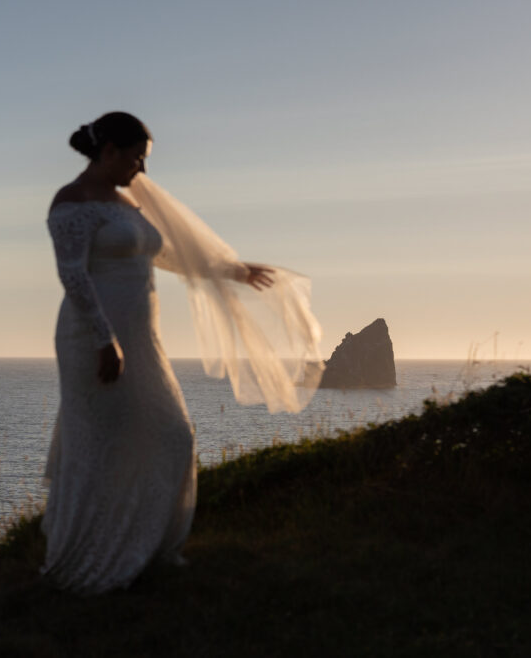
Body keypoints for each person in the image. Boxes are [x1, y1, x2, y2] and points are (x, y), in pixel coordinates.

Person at [43, 112, 322, 594]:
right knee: (99, 443)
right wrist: (102, 339)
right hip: (93, 336)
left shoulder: (128, 203)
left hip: (140, 335)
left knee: (171, 434)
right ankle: (84, 562)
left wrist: (229, 270)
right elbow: (73, 275)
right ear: (108, 150)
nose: (142, 170)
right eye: (136, 158)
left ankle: (144, 549)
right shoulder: (72, 202)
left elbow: (161, 253)